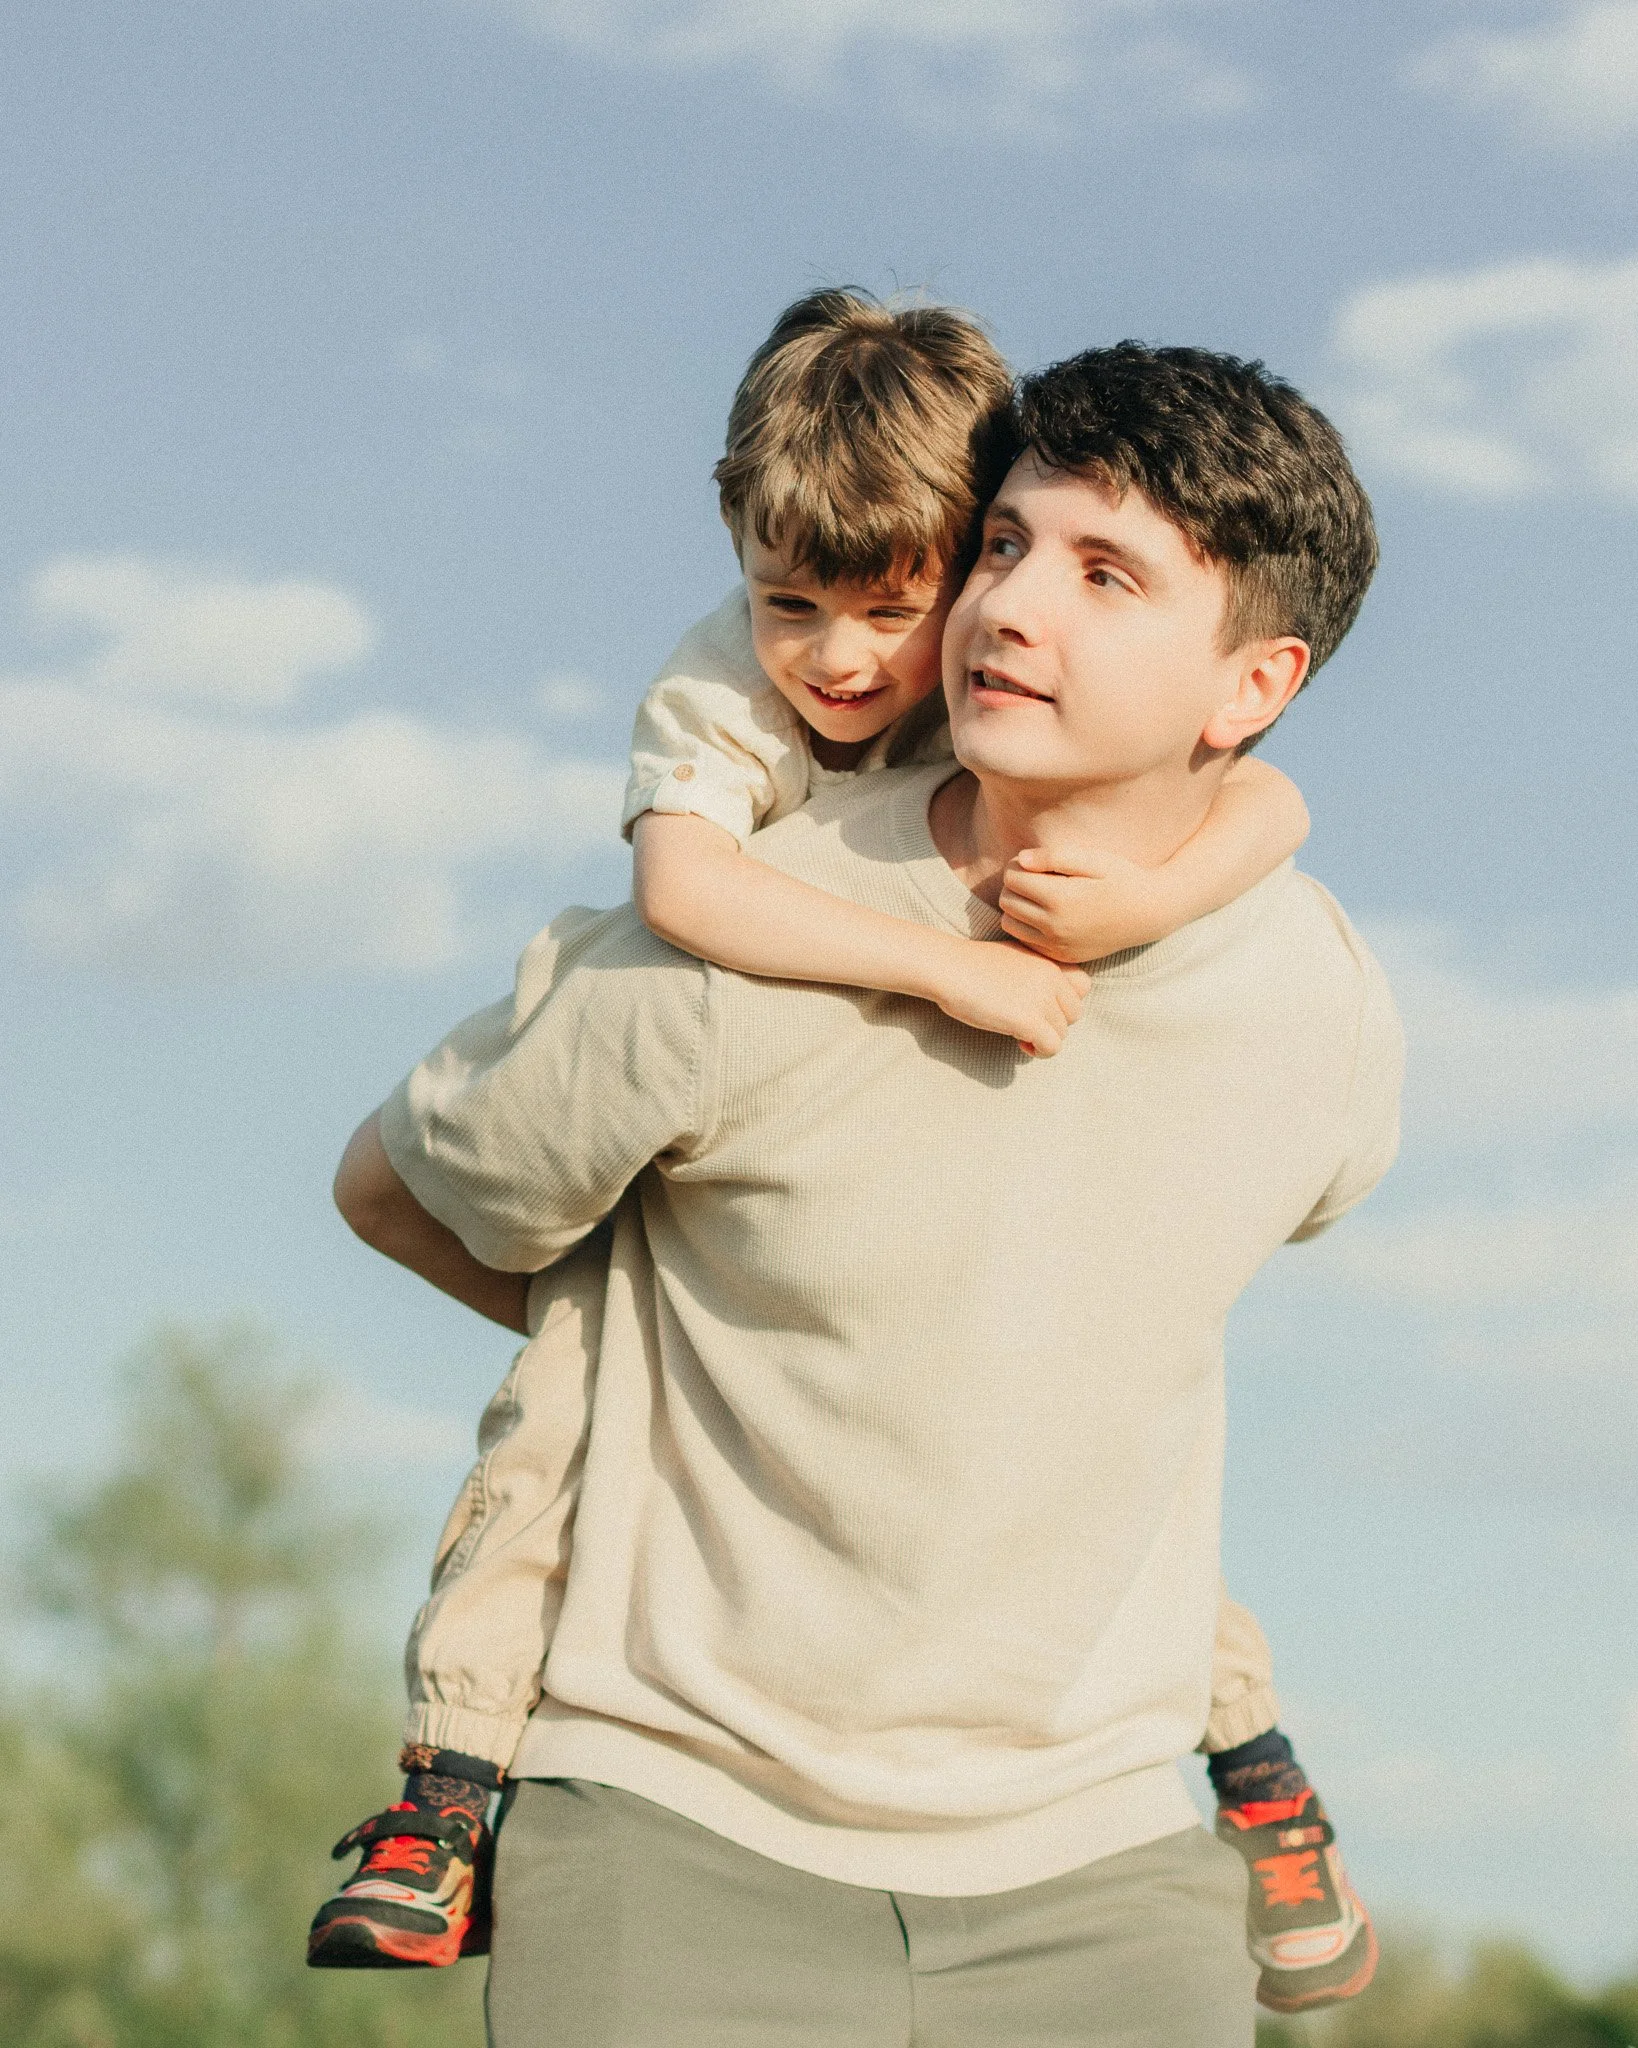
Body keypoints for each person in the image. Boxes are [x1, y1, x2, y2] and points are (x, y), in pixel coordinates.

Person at [313, 329, 1400, 2042]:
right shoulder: (725, 949)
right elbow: (392, 1186)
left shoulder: (1317, 1004)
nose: (1006, 609)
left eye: (1103, 572)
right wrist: (702, 1343)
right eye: (1002, 546)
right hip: (679, 1837)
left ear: (1248, 686)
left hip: (1111, 1876)